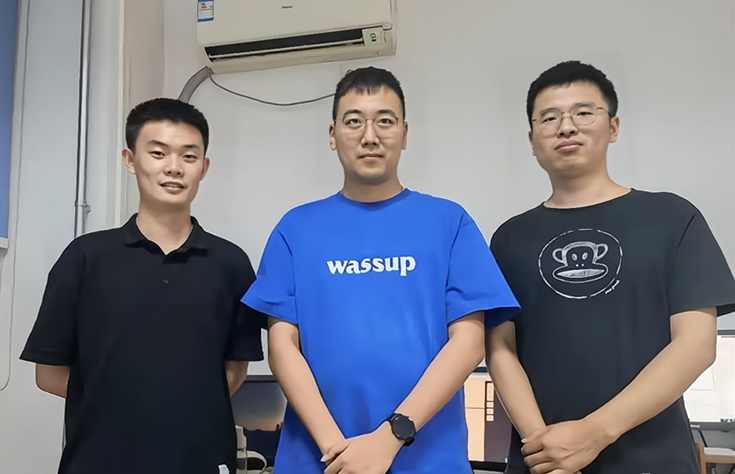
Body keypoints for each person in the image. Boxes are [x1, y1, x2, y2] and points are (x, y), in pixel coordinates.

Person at [242, 66, 520, 474]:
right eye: (354, 121)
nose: (369, 136)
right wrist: (337, 451)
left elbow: (468, 342)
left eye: (385, 121)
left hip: (428, 460)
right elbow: (283, 346)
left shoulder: (448, 222)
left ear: (405, 134)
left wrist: (391, 437)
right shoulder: (295, 229)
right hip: (319, 459)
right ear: (332, 134)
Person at [486, 60, 735, 474]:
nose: (567, 127)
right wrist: (543, 446)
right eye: (549, 118)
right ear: (532, 140)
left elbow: (696, 344)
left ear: (613, 127)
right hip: (544, 462)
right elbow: (500, 348)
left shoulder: (672, 217)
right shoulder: (510, 238)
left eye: (584, 112)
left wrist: (595, 432)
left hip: (653, 460)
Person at [20, 98, 264, 474]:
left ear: (204, 167)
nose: (174, 167)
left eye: (188, 156)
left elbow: (234, 372)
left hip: (200, 460)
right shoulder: (85, 258)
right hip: (98, 462)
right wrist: (127, 408)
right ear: (130, 160)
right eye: (158, 153)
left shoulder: (231, 264)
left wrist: (173, 409)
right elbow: (49, 374)